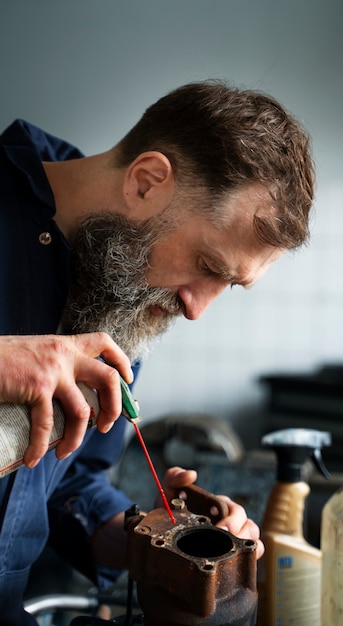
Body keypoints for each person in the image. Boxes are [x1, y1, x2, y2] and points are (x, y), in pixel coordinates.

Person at [0, 79, 314, 623]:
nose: (197, 309)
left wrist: (168, 543)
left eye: (230, 284)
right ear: (146, 182)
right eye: (209, 266)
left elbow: (69, 483)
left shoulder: (120, 289)